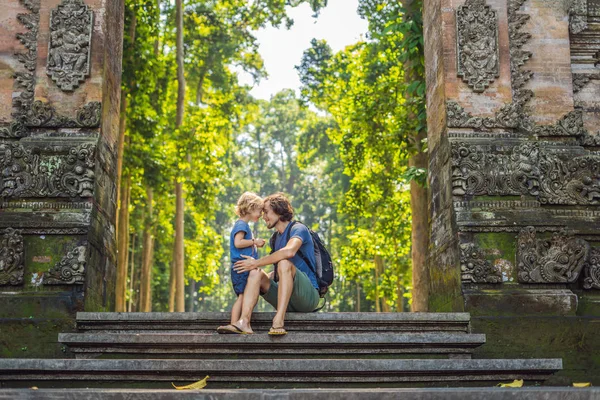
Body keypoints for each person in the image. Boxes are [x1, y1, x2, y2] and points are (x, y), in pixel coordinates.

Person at [232, 192, 320, 335]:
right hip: (287, 299)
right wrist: (259, 277)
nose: (263, 216)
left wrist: (257, 263)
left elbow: (289, 252)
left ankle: (278, 322)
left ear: (278, 211)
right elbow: (277, 274)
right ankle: (244, 322)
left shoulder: (298, 229)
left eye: (266, 212)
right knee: (256, 273)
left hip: (308, 298)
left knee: (284, 263)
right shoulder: (275, 238)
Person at [216, 192, 265, 334]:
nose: (261, 214)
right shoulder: (241, 225)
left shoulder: (243, 225)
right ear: (250, 208)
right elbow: (238, 243)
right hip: (241, 267)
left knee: (242, 296)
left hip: (243, 268)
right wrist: (255, 242)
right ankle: (234, 324)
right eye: (259, 211)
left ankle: (235, 324)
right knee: (242, 296)